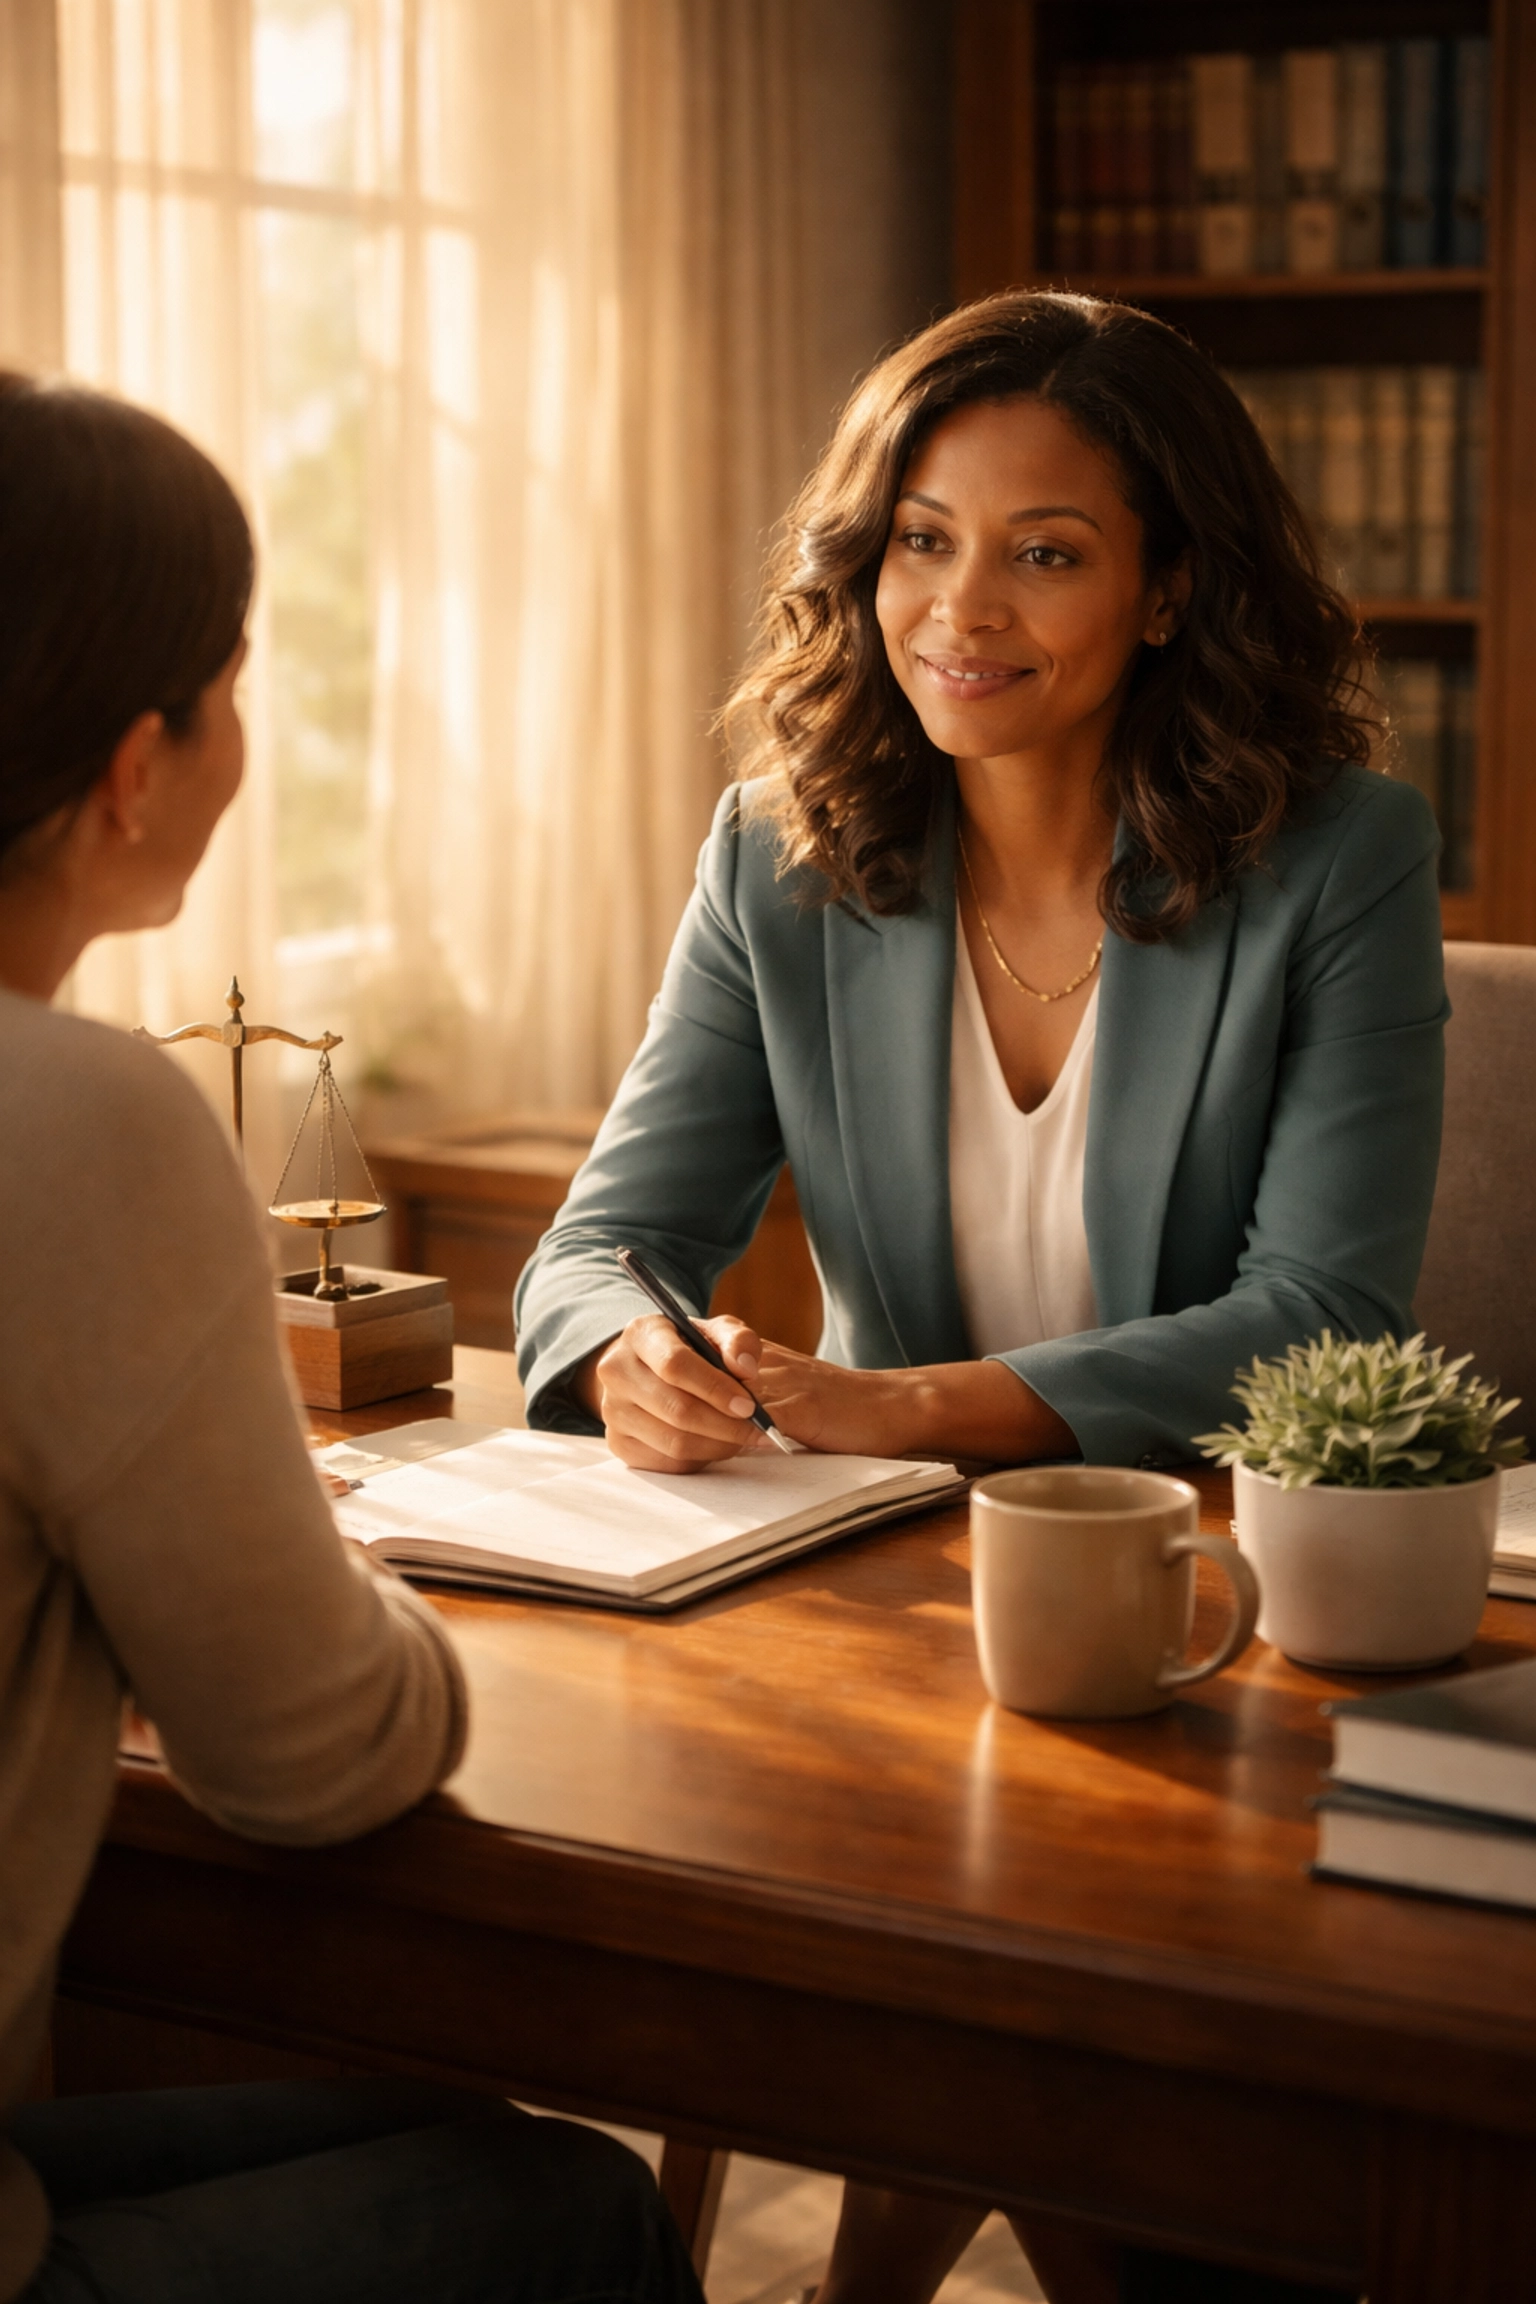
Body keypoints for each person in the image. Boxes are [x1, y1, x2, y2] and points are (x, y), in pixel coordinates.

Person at [514, 292, 1441, 2303]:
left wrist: (915, 1403)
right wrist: (640, 1364)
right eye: (924, 537)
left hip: (1213, 1640)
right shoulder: (781, 857)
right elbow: (594, 1252)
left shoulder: (1336, 858)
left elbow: (1320, 1327)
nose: (964, 605)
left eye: (1048, 549)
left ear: (1170, 588)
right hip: (885, 1630)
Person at [0, 373, 704, 2304]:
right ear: (142, 764)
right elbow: (316, 1763)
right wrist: (344, 1593)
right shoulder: (78, 1121)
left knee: (451, 2138)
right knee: (581, 2216)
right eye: (234, 685)